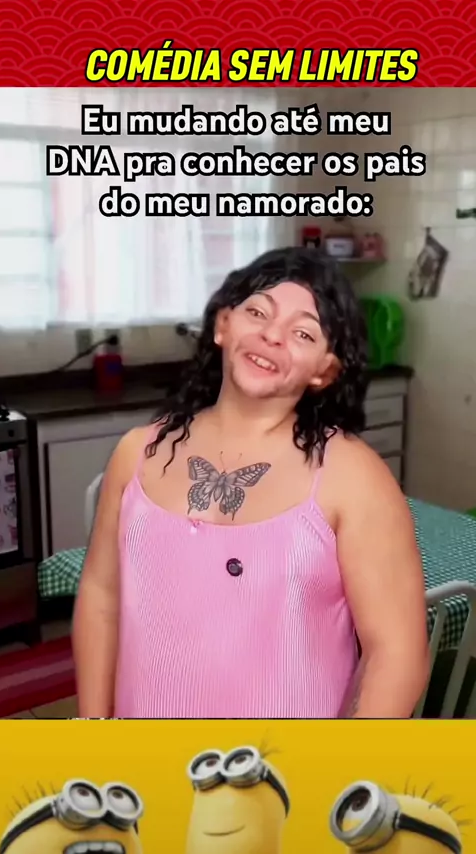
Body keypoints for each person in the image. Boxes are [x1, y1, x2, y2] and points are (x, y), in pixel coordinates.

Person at [72, 246, 429, 719]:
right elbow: (101, 597)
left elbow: (397, 651)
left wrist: (346, 760)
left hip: (287, 762)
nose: (271, 336)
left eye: (303, 332)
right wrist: (93, 731)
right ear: (223, 325)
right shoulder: (136, 454)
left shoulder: (353, 476)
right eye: (258, 312)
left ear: (324, 370)